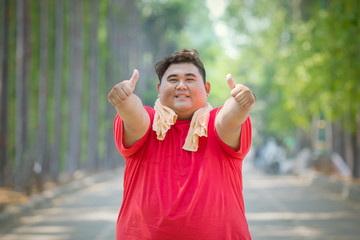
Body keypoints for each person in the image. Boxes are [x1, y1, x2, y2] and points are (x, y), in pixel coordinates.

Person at [108, 49, 255, 240]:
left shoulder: (215, 124)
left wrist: (241, 104)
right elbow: (134, 115)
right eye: (173, 80)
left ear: (207, 88)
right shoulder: (149, 123)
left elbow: (229, 117)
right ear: (159, 89)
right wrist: (124, 100)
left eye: (190, 79)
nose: (181, 86)